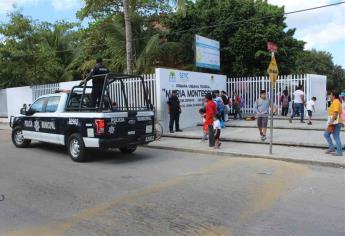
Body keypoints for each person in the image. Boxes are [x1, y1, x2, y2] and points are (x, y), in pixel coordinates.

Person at [323, 91, 343, 156]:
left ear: (334, 96)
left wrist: (331, 121)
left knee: (336, 136)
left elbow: (336, 112)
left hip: (335, 122)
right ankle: (332, 148)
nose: (329, 96)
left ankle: (339, 152)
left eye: (330, 95)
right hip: (334, 121)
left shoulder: (336, 102)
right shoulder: (334, 102)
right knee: (326, 134)